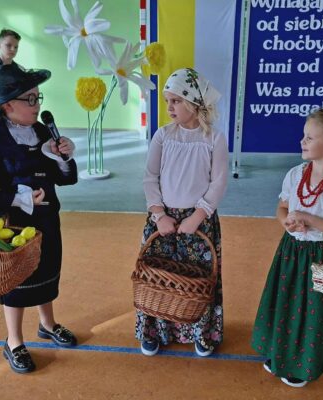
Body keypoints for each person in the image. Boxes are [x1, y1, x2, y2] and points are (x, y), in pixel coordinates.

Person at [0, 64, 78, 374]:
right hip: (11, 228)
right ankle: (14, 341)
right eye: (29, 99)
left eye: (37, 97)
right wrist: (21, 198)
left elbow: (65, 178)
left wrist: (64, 158)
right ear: (7, 105)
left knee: (47, 270)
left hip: (46, 221)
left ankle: (48, 324)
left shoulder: (42, 132)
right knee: (16, 282)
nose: (37, 104)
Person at [250, 108, 323, 388]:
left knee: (313, 311)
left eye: (309, 137)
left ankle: (304, 363)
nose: (302, 141)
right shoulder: (295, 174)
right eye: (304, 136)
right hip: (292, 250)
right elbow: (282, 208)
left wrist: (310, 219)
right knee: (287, 302)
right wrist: (288, 223)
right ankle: (282, 352)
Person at [138, 68, 228, 357]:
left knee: (199, 279)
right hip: (162, 220)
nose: (169, 107)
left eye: (176, 101)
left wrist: (197, 216)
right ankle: (154, 330)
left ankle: (202, 332)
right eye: (168, 101)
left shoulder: (214, 139)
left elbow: (218, 182)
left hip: (199, 221)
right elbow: (150, 177)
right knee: (159, 276)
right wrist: (159, 215)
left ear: (194, 102)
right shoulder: (163, 136)